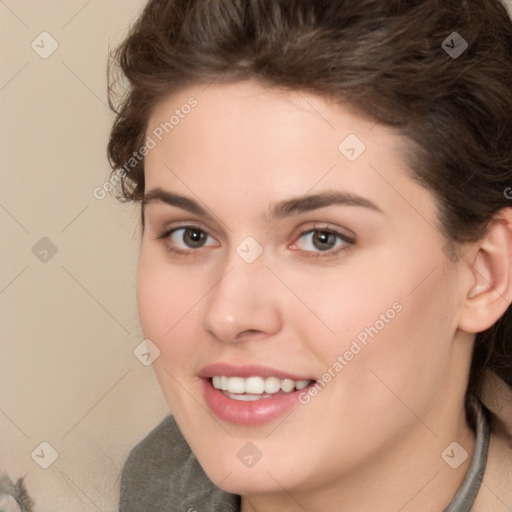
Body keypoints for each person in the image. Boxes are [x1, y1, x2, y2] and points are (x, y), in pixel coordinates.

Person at [107, 0, 512, 510]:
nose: (228, 314)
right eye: (190, 235)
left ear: (485, 273)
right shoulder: (155, 487)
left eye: (322, 238)